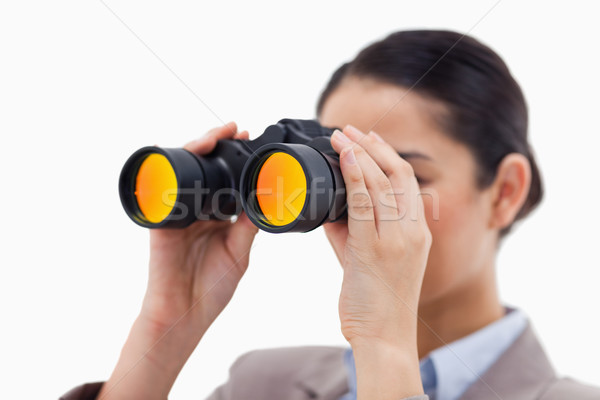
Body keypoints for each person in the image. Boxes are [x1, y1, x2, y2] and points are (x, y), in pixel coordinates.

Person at [61, 30, 600, 400]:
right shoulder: (265, 384)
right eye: (343, 176)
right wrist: (166, 323)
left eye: (400, 177)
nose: (365, 206)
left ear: (505, 191)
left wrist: (385, 345)